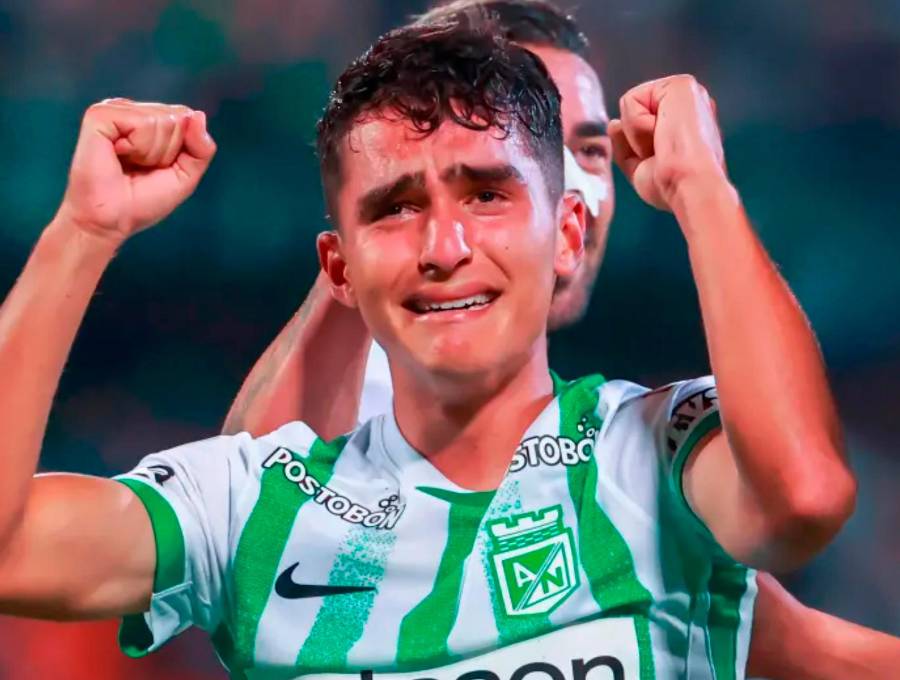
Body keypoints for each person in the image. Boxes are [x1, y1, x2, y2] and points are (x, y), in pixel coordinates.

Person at [0, 18, 855, 680]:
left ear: (566, 234)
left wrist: (703, 190)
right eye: (395, 208)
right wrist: (82, 231)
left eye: (486, 194)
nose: (444, 245)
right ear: (339, 267)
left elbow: (804, 501)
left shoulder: (652, 450)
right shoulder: (250, 503)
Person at [223, 2, 898, 677]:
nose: (576, 187)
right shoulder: (371, 414)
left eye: (590, 150)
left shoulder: (606, 451)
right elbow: (242, 560)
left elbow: (792, 637)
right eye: (529, 141)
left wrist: (703, 190)